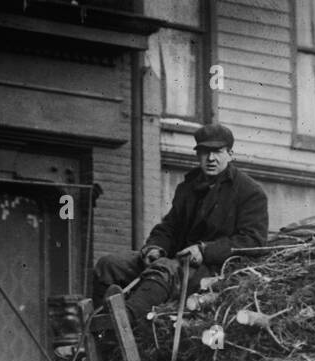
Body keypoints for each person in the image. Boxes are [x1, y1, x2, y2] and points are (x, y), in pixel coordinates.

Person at [91, 122, 269, 329]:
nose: (211, 159)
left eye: (217, 152)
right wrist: (155, 247)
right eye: (204, 152)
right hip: (177, 263)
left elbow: (253, 241)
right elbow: (170, 227)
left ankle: (122, 324)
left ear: (230, 153)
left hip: (214, 271)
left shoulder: (249, 192)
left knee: (164, 269)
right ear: (197, 155)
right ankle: (99, 322)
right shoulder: (188, 187)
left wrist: (205, 250)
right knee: (109, 264)